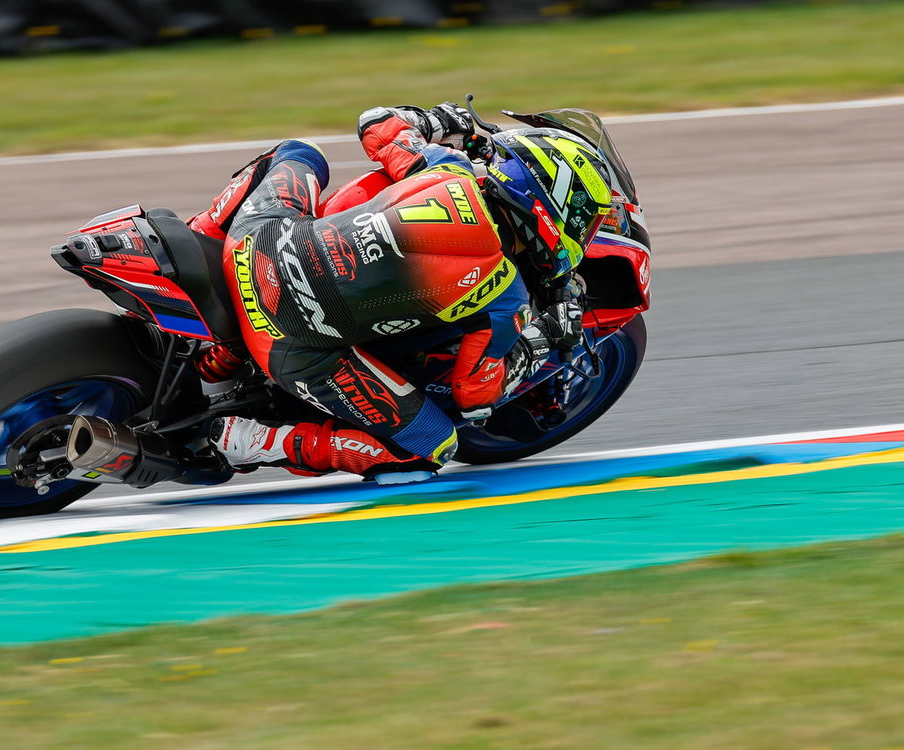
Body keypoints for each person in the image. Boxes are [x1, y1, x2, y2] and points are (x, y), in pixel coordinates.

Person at [186, 103, 617, 484]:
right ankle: (254, 440)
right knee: (431, 447)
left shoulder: (444, 166)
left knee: (300, 153)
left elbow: (375, 122)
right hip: (288, 343)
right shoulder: (506, 297)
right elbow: (474, 397)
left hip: (253, 244)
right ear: (552, 210)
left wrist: (439, 120)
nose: (584, 230)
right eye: (583, 218)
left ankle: (195, 242)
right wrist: (541, 339)